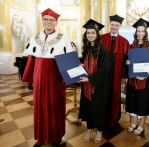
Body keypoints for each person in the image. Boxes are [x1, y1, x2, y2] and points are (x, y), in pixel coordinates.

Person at [22, 8, 75, 147]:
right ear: (42, 21)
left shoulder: (63, 38)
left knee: (55, 106)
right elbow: (31, 60)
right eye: (45, 19)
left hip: (55, 78)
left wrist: (66, 79)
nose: (48, 22)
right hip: (39, 78)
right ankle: (41, 137)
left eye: (51, 20)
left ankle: (56, 137)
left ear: (56, 22)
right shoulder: (35, 38)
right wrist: (29, 78)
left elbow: (69, 59)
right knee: (39, 107)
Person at [78, 19, 110, 144]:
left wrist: (90, 79)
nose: (90, 35)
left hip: (99, 85)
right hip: (87, 84)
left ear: (97, 34)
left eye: (93, 33)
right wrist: (82, 65)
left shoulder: (102, 49)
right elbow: (86, 63)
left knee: (99, 108)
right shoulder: (86, 47)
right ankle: (90, 129)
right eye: (88, 33)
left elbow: (104, 69)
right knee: (89, 107)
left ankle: (100, 130)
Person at [125, 18, 149, 135]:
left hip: (145, 80)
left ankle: (142, 125)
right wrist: (127, 62)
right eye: (138, 31)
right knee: (133, 100)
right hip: (133, 79)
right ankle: (134, 122)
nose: (140, 33)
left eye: (142, 31)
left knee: (143, 101)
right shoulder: (132, 45)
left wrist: (145, 76)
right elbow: (127, 60)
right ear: (135, 32)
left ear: (145, 33)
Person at [101, 14, 130, 129]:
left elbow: (126, 60)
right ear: (109, 25)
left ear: (120, 26)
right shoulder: (101, 38)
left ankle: (114, 121)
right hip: (103, 75)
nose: (114, 27)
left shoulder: (124, 41)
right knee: (103, 97)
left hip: (117, 76)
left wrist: (124, 75)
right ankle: (102, 120)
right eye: (112, 24)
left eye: (116, 25)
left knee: (115, 97)